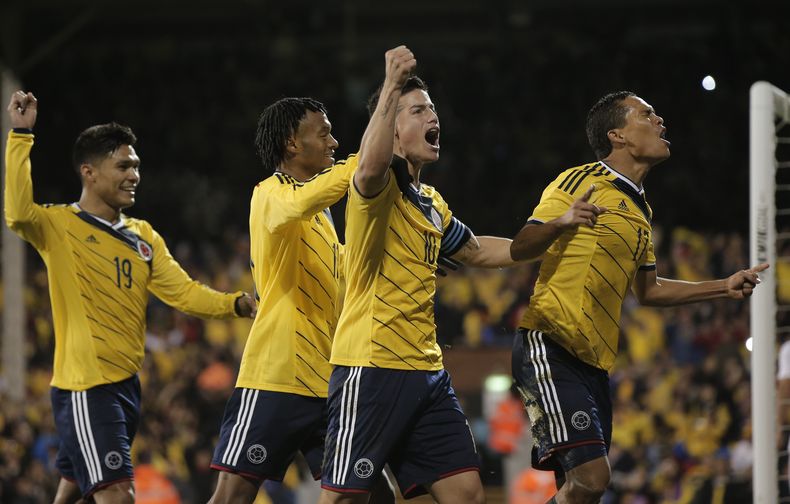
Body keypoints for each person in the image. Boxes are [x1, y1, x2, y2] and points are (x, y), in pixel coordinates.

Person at [508, 90, 769, 503]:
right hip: (550, 344)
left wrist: (723, 285)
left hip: (595, 366)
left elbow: (649, 290)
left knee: (581, 490)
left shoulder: (640, 211)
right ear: (619, 136)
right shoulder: (580, 181)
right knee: (594, 478)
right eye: (647, 114)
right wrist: (562, 221)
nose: (660, 120)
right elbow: (521, 247)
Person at [4, 91, 256, 503]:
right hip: (87, 386)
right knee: (118, 495)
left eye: (136, 165)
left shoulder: (143, 237)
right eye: (123, 165)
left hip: (125, 388)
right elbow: (16, 212)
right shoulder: (59, 225)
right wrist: (20, 136)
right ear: (89, 172)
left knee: (73, 491)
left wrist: (235, 304)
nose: (134, 175)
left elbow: (184, 293)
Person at [319, 46, 520, 504]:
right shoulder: (374, 186)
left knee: (466, 491)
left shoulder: (430, 201)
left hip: (427, 372)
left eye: (433, 109)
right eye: (418, 110)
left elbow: (474, 250)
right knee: (343, 498)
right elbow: (369, 167)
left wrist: (549, 239)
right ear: (391, 129)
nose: (434, 117)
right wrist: (391, 82)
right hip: (371, 367)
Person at [208, 96, 393, 503]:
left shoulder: (324, 218)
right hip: (277, 376)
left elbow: (351, 276)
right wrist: (368, 157)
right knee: (232, 497)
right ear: (292, 144)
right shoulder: (271, 194)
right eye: (323, 133)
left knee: (372, 495)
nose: (333, 141)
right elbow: (306, 199)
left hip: (328, 382)